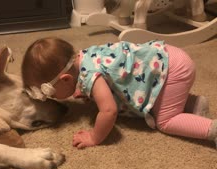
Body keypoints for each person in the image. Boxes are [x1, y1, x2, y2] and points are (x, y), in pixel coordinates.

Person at [21, 37, 216, 149]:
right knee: (158, 100)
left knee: (165, 121)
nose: (54, 99)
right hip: (169, 58)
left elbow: (109, 111)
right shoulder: (83, 57)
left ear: (66, 80)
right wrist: (84, 90)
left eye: (52, 94)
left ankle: (211, 130)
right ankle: (193, 104)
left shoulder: (90, 76)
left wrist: (94, 137)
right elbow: (108, 77)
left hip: (171, 71)